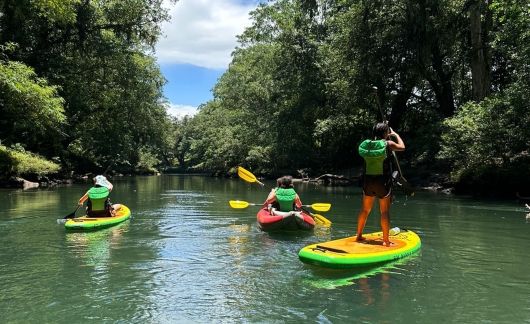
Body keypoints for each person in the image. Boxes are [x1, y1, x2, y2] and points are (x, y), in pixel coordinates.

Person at [355, 122, 405, 246]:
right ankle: (386, 241)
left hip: (368, 182)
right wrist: (395, 135)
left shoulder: (367, 145)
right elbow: (402, 147)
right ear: (385, 133)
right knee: (384, 211)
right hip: (382, 182)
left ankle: (359, 235)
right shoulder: (388, 144)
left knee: (365, 209)